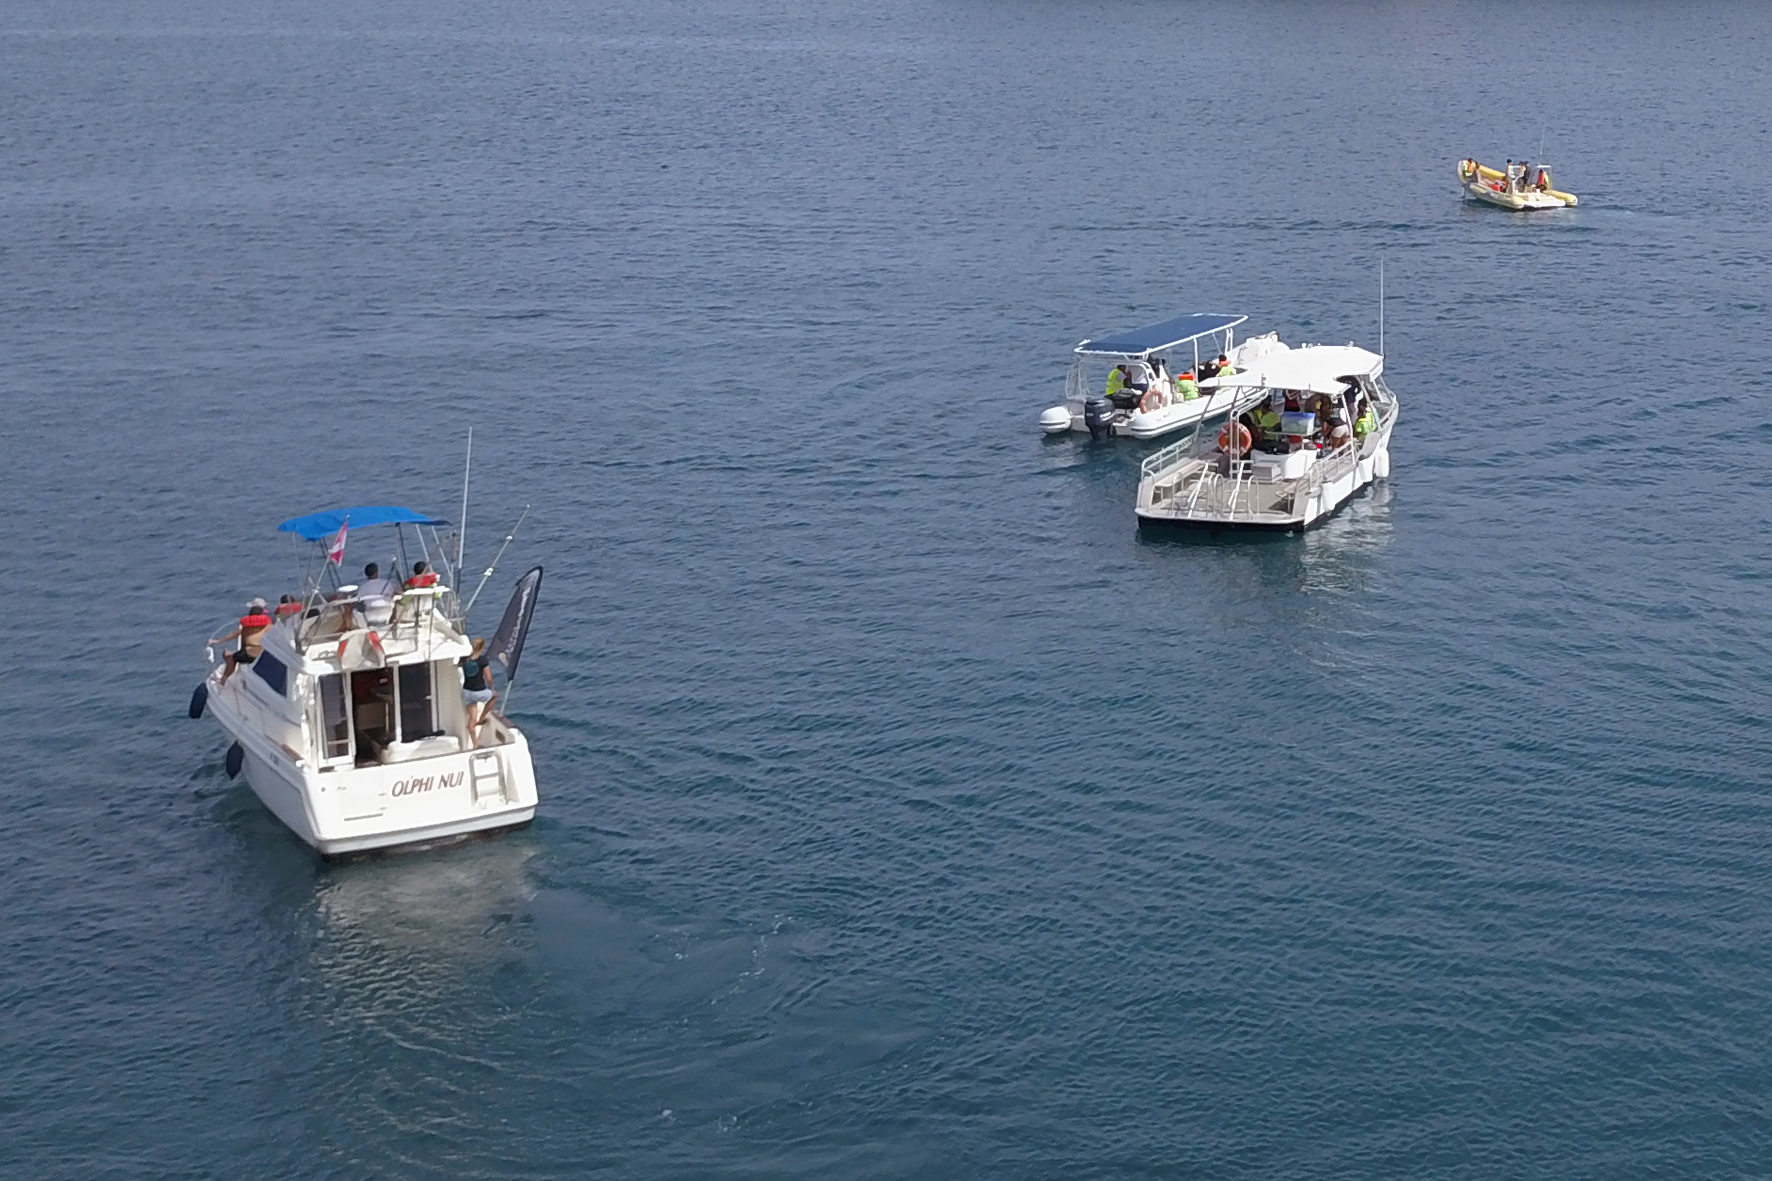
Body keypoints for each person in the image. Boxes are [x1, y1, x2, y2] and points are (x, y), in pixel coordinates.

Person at [220, 598, 274, 682]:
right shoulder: (269, 625)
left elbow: (238, 636)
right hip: (264, 654)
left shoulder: (247, 626)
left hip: (250, 655)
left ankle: (223, 679)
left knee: (232, 658)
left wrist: (218, 641)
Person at [460, 638, 496, 741]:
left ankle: (475, 744)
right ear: (482, 647)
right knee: (494, 696)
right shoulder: (483, 660)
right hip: (479, 692)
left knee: (471, 719)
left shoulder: (465, 659)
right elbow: (488, 677)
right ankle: (482, 718)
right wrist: (492, 687)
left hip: (467, 692)